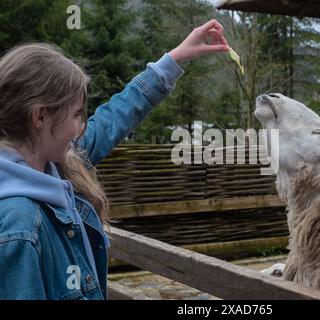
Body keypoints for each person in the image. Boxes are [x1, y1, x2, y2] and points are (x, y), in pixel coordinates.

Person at [0, 19, 229, 300]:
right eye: (76, 114)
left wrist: (175, 59)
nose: (82, 127)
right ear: (40, 116)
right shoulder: (19, 227)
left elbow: (112, 120)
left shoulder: (53, 166)